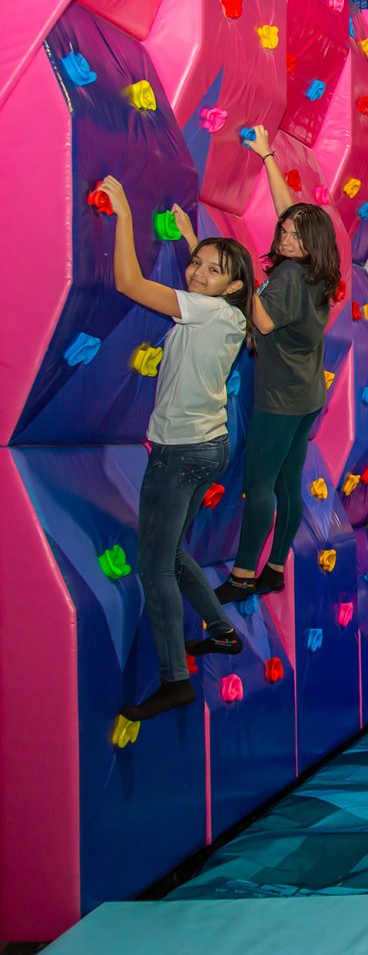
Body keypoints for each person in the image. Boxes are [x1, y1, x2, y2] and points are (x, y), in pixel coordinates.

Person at [101, 176, 256, 720]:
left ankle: (175, 680)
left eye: (213, 270)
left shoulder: (207, 310)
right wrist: (195, 241)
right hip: (208, 445)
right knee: (173, 552)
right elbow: (205, 279)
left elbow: (128, 282)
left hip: (180, 451)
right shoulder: (227, 312)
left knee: (153, 566)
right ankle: (221, 630)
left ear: (233, 285)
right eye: (196, 265)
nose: (196, 273)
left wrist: (125, 212)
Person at [215, 125, 341, 603]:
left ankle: (243, 575)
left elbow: (263, 323)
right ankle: (274, 568)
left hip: (282, 400)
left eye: (293, 235)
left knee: (260, 484)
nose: (284, 237)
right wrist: (267, 156)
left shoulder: (289, 277)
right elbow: (293, 213)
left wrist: (239, 276)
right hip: (306, 395)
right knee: (288, 485)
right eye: (283, 231)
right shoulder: (318, 269)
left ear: (311, 242)